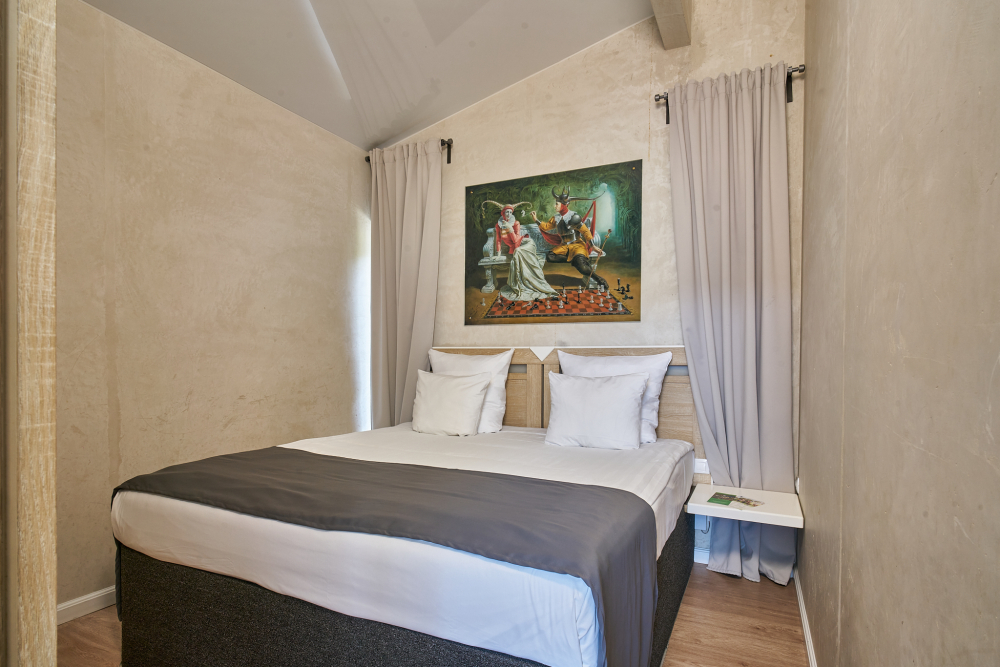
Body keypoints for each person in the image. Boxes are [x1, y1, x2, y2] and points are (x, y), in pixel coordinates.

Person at [531, 188, 609, 290]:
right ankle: (574, 260)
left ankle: (599, 279)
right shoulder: (556, 218)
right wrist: (536, 220)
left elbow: (585, 231)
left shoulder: (574, 217)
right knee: (550, 257)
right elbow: (546, 227)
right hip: (564, 246)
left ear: (564, 205)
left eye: (557, 204)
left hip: (577, 245)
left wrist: (592, 246)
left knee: (582, 267)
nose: (555, 206)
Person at [492, 204, 559, 301]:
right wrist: (498, 255)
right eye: (507, 212)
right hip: (517, 248)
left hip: (527, 243)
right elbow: (498, 240)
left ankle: (535, 283)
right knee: (517, 252)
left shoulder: (515, 223)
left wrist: (510, 229)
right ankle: (525, 283)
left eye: (510, 212)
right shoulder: (498, 225)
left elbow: (515, 240)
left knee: (518, 251)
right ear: (503, 213)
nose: (509, 214)